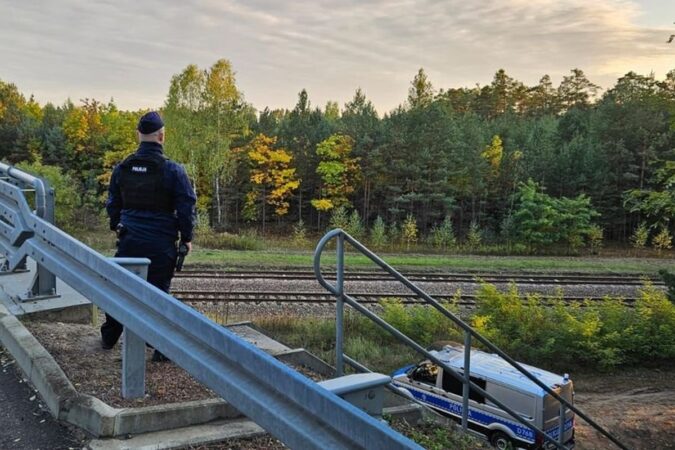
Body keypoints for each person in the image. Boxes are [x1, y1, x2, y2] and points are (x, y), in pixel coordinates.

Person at [101, 111, 196, 362]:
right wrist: (187, 237)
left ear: (138, 136)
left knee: (122, 289)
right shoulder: (173, 170)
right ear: (162, 136)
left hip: (129, 237)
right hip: (161, 243)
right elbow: (186, 206)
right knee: (158, 293)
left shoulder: (122, 168)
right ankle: (159, 348)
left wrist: (118, 227)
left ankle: (109, 336)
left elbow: (113, 204)